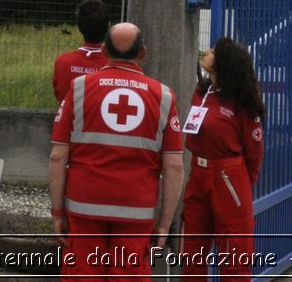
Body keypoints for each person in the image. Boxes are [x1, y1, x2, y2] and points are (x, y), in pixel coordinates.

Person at [48, 22, 185, 280]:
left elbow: (58, 155)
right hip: (137, 209)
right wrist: (165, 223)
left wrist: (57, 211)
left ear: (103, 50)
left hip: (84, 205)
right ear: (142, 52)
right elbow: (175, 166)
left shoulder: (78, 89)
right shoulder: (164, 96)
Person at [179, 38, 266, 282]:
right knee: (193, 251)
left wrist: (238, 182)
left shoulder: (242, 103)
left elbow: (254, 152)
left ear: (224, 63)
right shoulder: (203, 92)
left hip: (228, 177)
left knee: (234, 252)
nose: (208, 52)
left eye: (214, 51)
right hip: (198, 173)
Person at [53, 0, 111, 105]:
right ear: (109, 26)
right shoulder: (114, 65)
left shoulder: (62, 62)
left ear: (79, 26)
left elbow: (59, 96)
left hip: (70, 120)